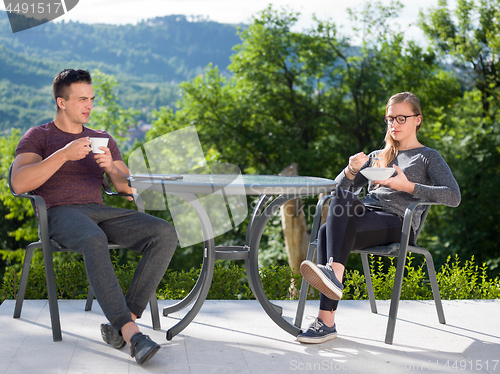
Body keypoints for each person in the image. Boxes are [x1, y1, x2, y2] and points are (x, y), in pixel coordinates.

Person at [11, 69, 178, 364]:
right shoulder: (40, 136)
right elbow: (19, 183)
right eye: (81, 99)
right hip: (59, 214)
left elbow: (128, 188)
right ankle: (132, 334)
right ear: (61, 102)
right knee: (92, 238)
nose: (89, 105)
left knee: (164, 233)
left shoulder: (102, 138)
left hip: (100, 211)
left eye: (91, 99)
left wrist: (112, 167)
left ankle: (122, 322)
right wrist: (63, 154)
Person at [297, 92, 461, 344]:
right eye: (389, 119)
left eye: (401, 118)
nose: (394, 124)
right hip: (368, 214)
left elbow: (453, 196)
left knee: (323, 233)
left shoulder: (428, 157)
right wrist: (350, 170)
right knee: (340, 202)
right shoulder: (379, 155)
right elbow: (339, 189)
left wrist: (408, 187)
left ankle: (326, 315)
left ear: (417, 120)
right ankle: (333, 278)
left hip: (398, 222)